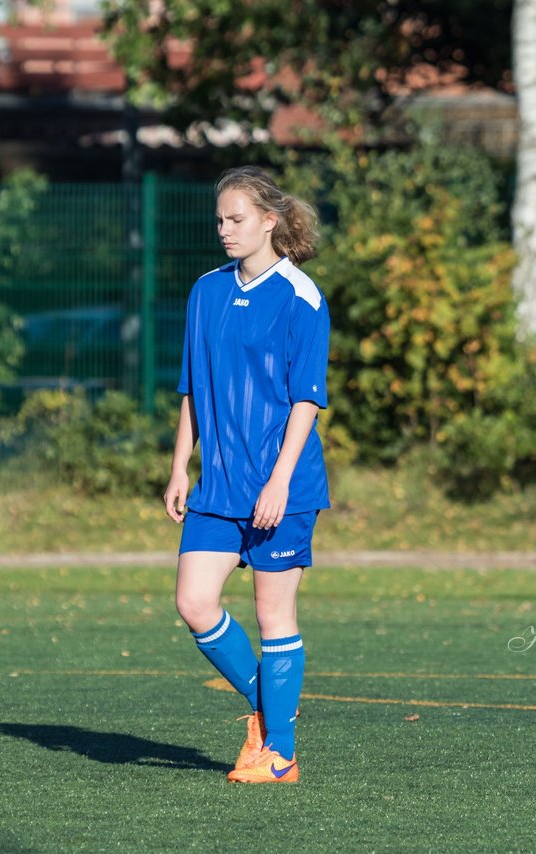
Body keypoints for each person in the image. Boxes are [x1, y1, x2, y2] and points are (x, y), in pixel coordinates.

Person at [163, 166, 330, 782]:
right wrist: (181, 464)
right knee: (193, 601)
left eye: (236, 220)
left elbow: (306, 400)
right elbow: (191, 389)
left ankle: (278, 755)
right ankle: (269, 710)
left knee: (272, 616)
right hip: (218, 485)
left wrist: (280, 480)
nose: (224, 230)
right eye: (220, 220)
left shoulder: (302, 297)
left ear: (270, 222)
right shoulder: (206, 291)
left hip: (280, 484)